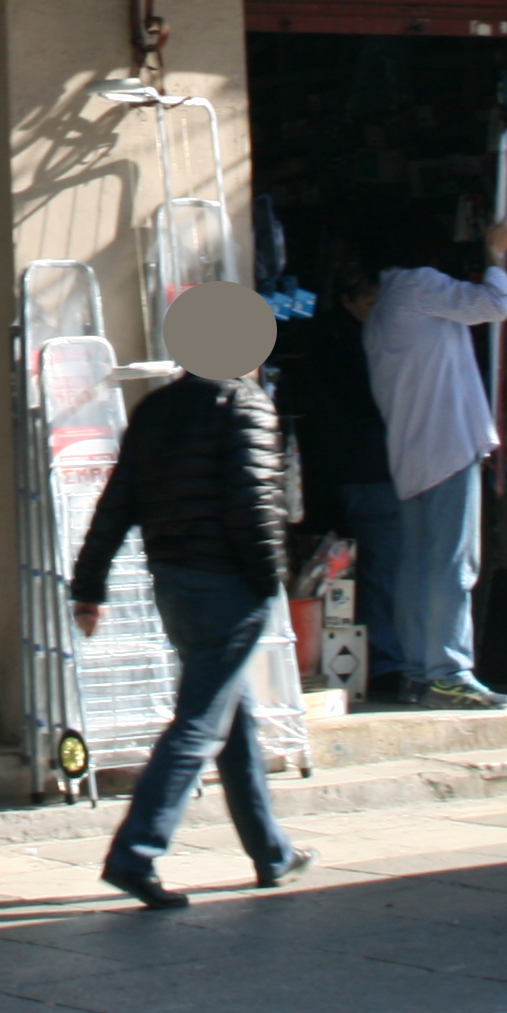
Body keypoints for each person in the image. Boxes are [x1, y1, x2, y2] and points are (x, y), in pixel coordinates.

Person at [67, 282, 315, 911]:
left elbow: (116, 503)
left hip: (174, 583)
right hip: (231, 586)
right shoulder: (246, 405)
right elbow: (255, 508)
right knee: (202, 724)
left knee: (230, 720)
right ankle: (136, 852)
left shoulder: (155, 410)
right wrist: (270, 584)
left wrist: (88, 585)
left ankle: (272, 853)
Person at [364, 218, 507, 712]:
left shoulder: (380, 313)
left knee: (417, 565)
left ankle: (417, 671)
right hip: (448, 445)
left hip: (410, 454)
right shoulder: (420, 286)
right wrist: (496, 257)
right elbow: (496, 305)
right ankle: (449, 670)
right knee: (453, 563)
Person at [310, 262, 408, 702]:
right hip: (367, 469)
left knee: (381, 569)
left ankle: (388, 658)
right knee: (383, 569)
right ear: (348, 302)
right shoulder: (349, 346)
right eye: (368, 302)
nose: (376, 310)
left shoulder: (346, 341)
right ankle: (387, 662)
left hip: (360, 469)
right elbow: (365, 407)